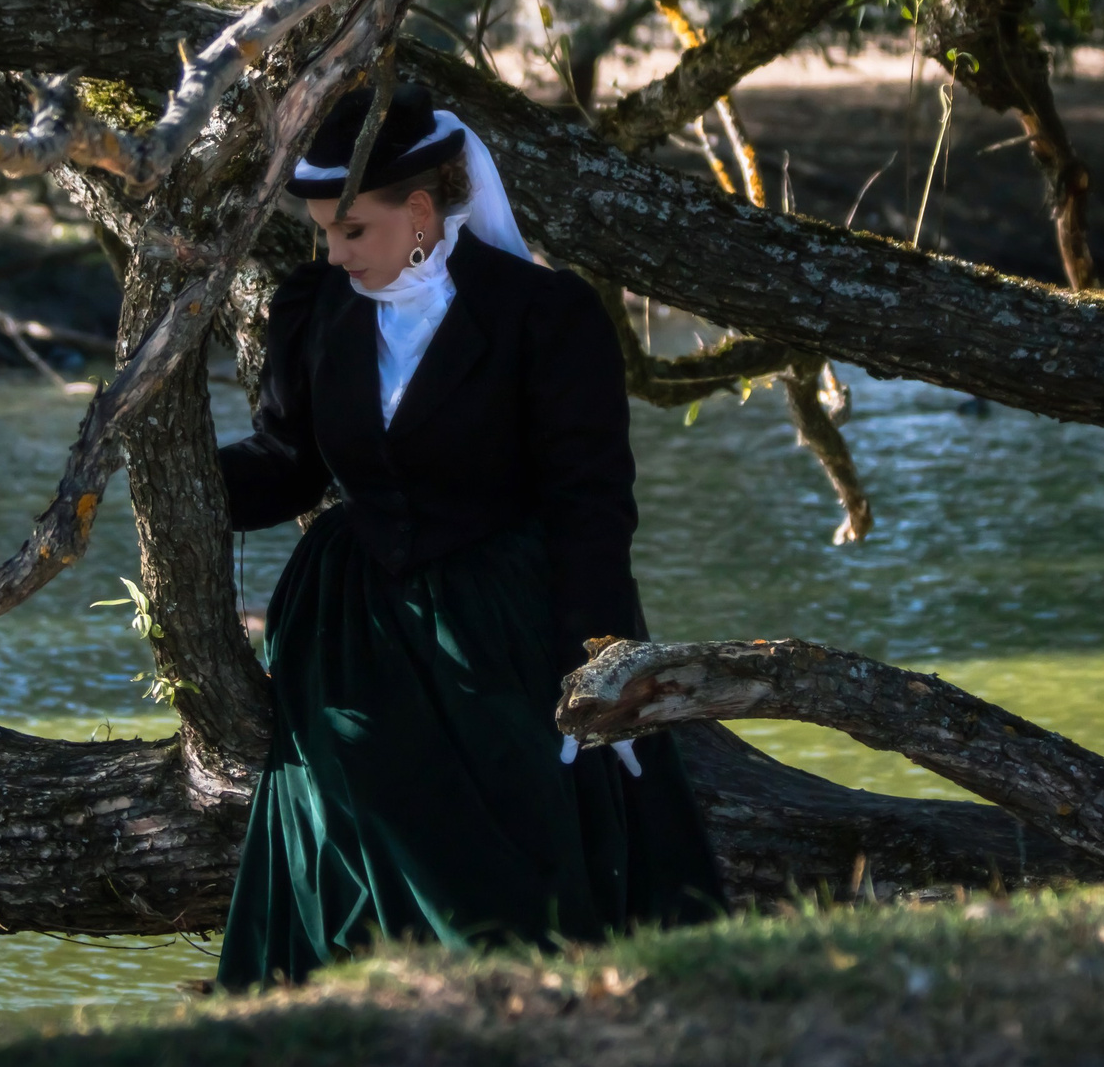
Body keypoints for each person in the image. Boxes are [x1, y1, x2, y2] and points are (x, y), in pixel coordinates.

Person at [215, 81, 723, 989]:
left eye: (352, 229)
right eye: (323, 231)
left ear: (419, 210)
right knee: (354, 802)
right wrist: (178, 479)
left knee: (511, 843)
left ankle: (517, 1012)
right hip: (352, 628)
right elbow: (289, 461)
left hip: (505, 622)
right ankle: (356, 1018)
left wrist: (604, 661)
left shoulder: (546, 315)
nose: (332, 252)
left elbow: (591, 502)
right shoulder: (316, 307)